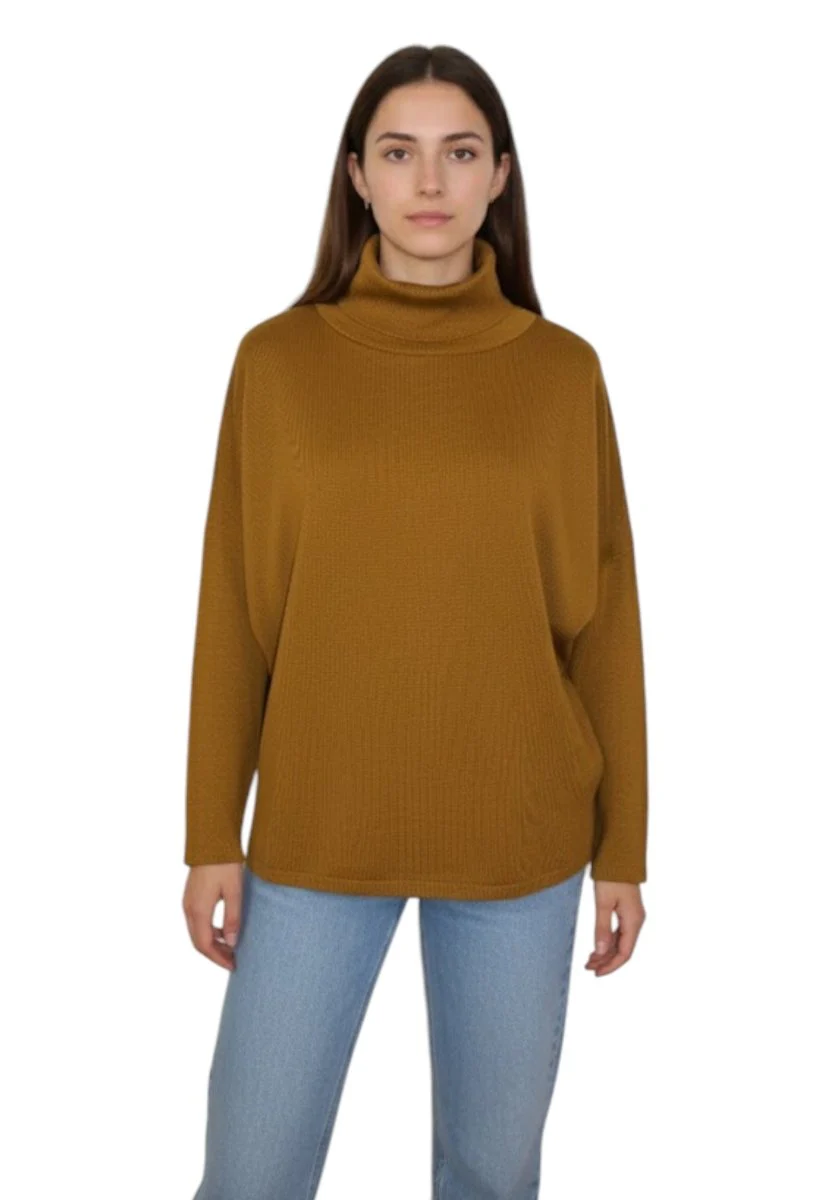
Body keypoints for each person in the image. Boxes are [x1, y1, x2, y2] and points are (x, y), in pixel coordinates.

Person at [183, 42, 648, 1200]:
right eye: (399, 153)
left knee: (491, 1177)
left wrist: (625, 849)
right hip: (318, 825)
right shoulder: (278, 363)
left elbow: (604, 625)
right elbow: (234, 611)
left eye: (459, 153)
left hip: (519, 834)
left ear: (501, 176)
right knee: (251, 1176)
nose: (429, 182)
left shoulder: (562, 374)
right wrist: (209, 833)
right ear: (356, 175)